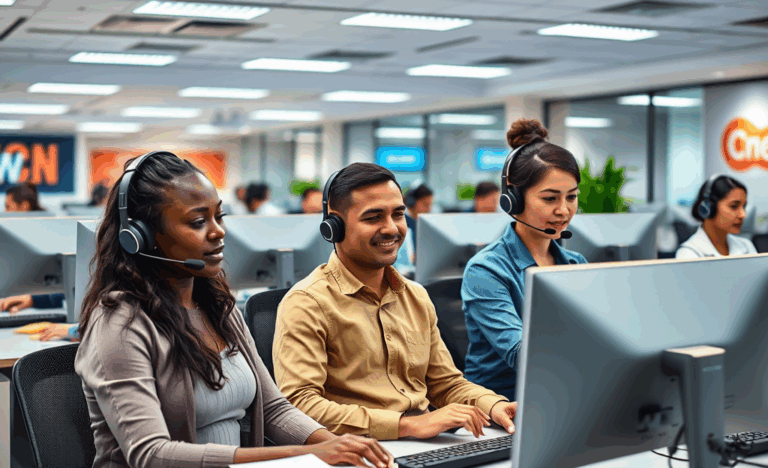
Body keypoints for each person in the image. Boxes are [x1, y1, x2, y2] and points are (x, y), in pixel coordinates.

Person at [75, 151, 393, 468]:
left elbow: (273, 409)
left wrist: (338, 445)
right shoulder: (120, 324)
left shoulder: (217, 306)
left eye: (219, 216)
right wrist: (303, 455)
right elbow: (151, 454)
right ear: (142, 237)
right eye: (199, 221)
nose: (218, 232)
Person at [274, 163, 517, 441]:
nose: (391, 229)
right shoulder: (307, 303)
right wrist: (405, 425)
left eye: (398, 214)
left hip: (423, 444)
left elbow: (445, 383)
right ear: (334, 227)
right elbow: (299, 406)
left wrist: (494, 404)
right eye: (373, 218)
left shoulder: (415, 296)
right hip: (358, 449)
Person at [461, 118, 588, 402]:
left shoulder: (576, 264)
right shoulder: (486, 271)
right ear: (513, 201)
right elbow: (524, 356)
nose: (564, 210)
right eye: (550, 198)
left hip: (563, 398)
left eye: (572, 197)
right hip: (500, 409)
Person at [676, 175, 756, 258]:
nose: (743, 215)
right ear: (708, 208)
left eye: (744, 207)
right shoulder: (688, 253)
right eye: (734, 206)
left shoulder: (747, 246)